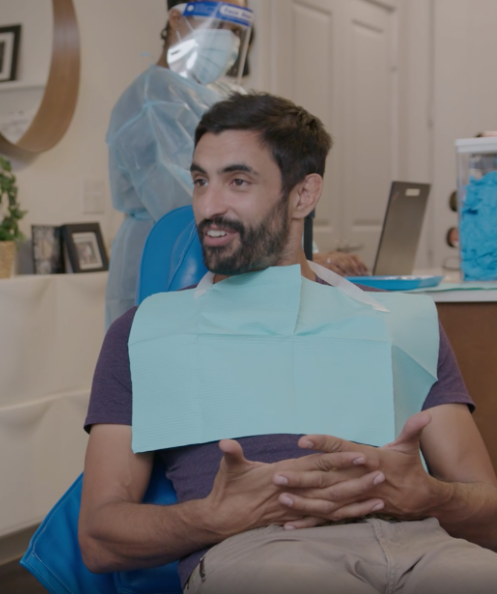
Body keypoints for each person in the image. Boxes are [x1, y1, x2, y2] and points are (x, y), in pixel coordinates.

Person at [80, 93, 497, 593]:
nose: (209, 206)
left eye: (238, 181)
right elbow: (98, 539)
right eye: (199, 181)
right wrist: (213, 518)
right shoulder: (142, 333)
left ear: (304, 194)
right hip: (265, 551)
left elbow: (486, 510)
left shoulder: (396, 324)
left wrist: (428, 496)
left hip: (423, 546)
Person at [104, 0, 365, 327]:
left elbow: (275, 185)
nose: (227, 40)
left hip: (241, 263)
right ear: (176, 19)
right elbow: (185, 205)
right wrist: (305, 257)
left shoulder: (218, 94)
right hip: (170, 259)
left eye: (234, 31)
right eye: (219, 26)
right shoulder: (151, 99)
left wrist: (303, 254)